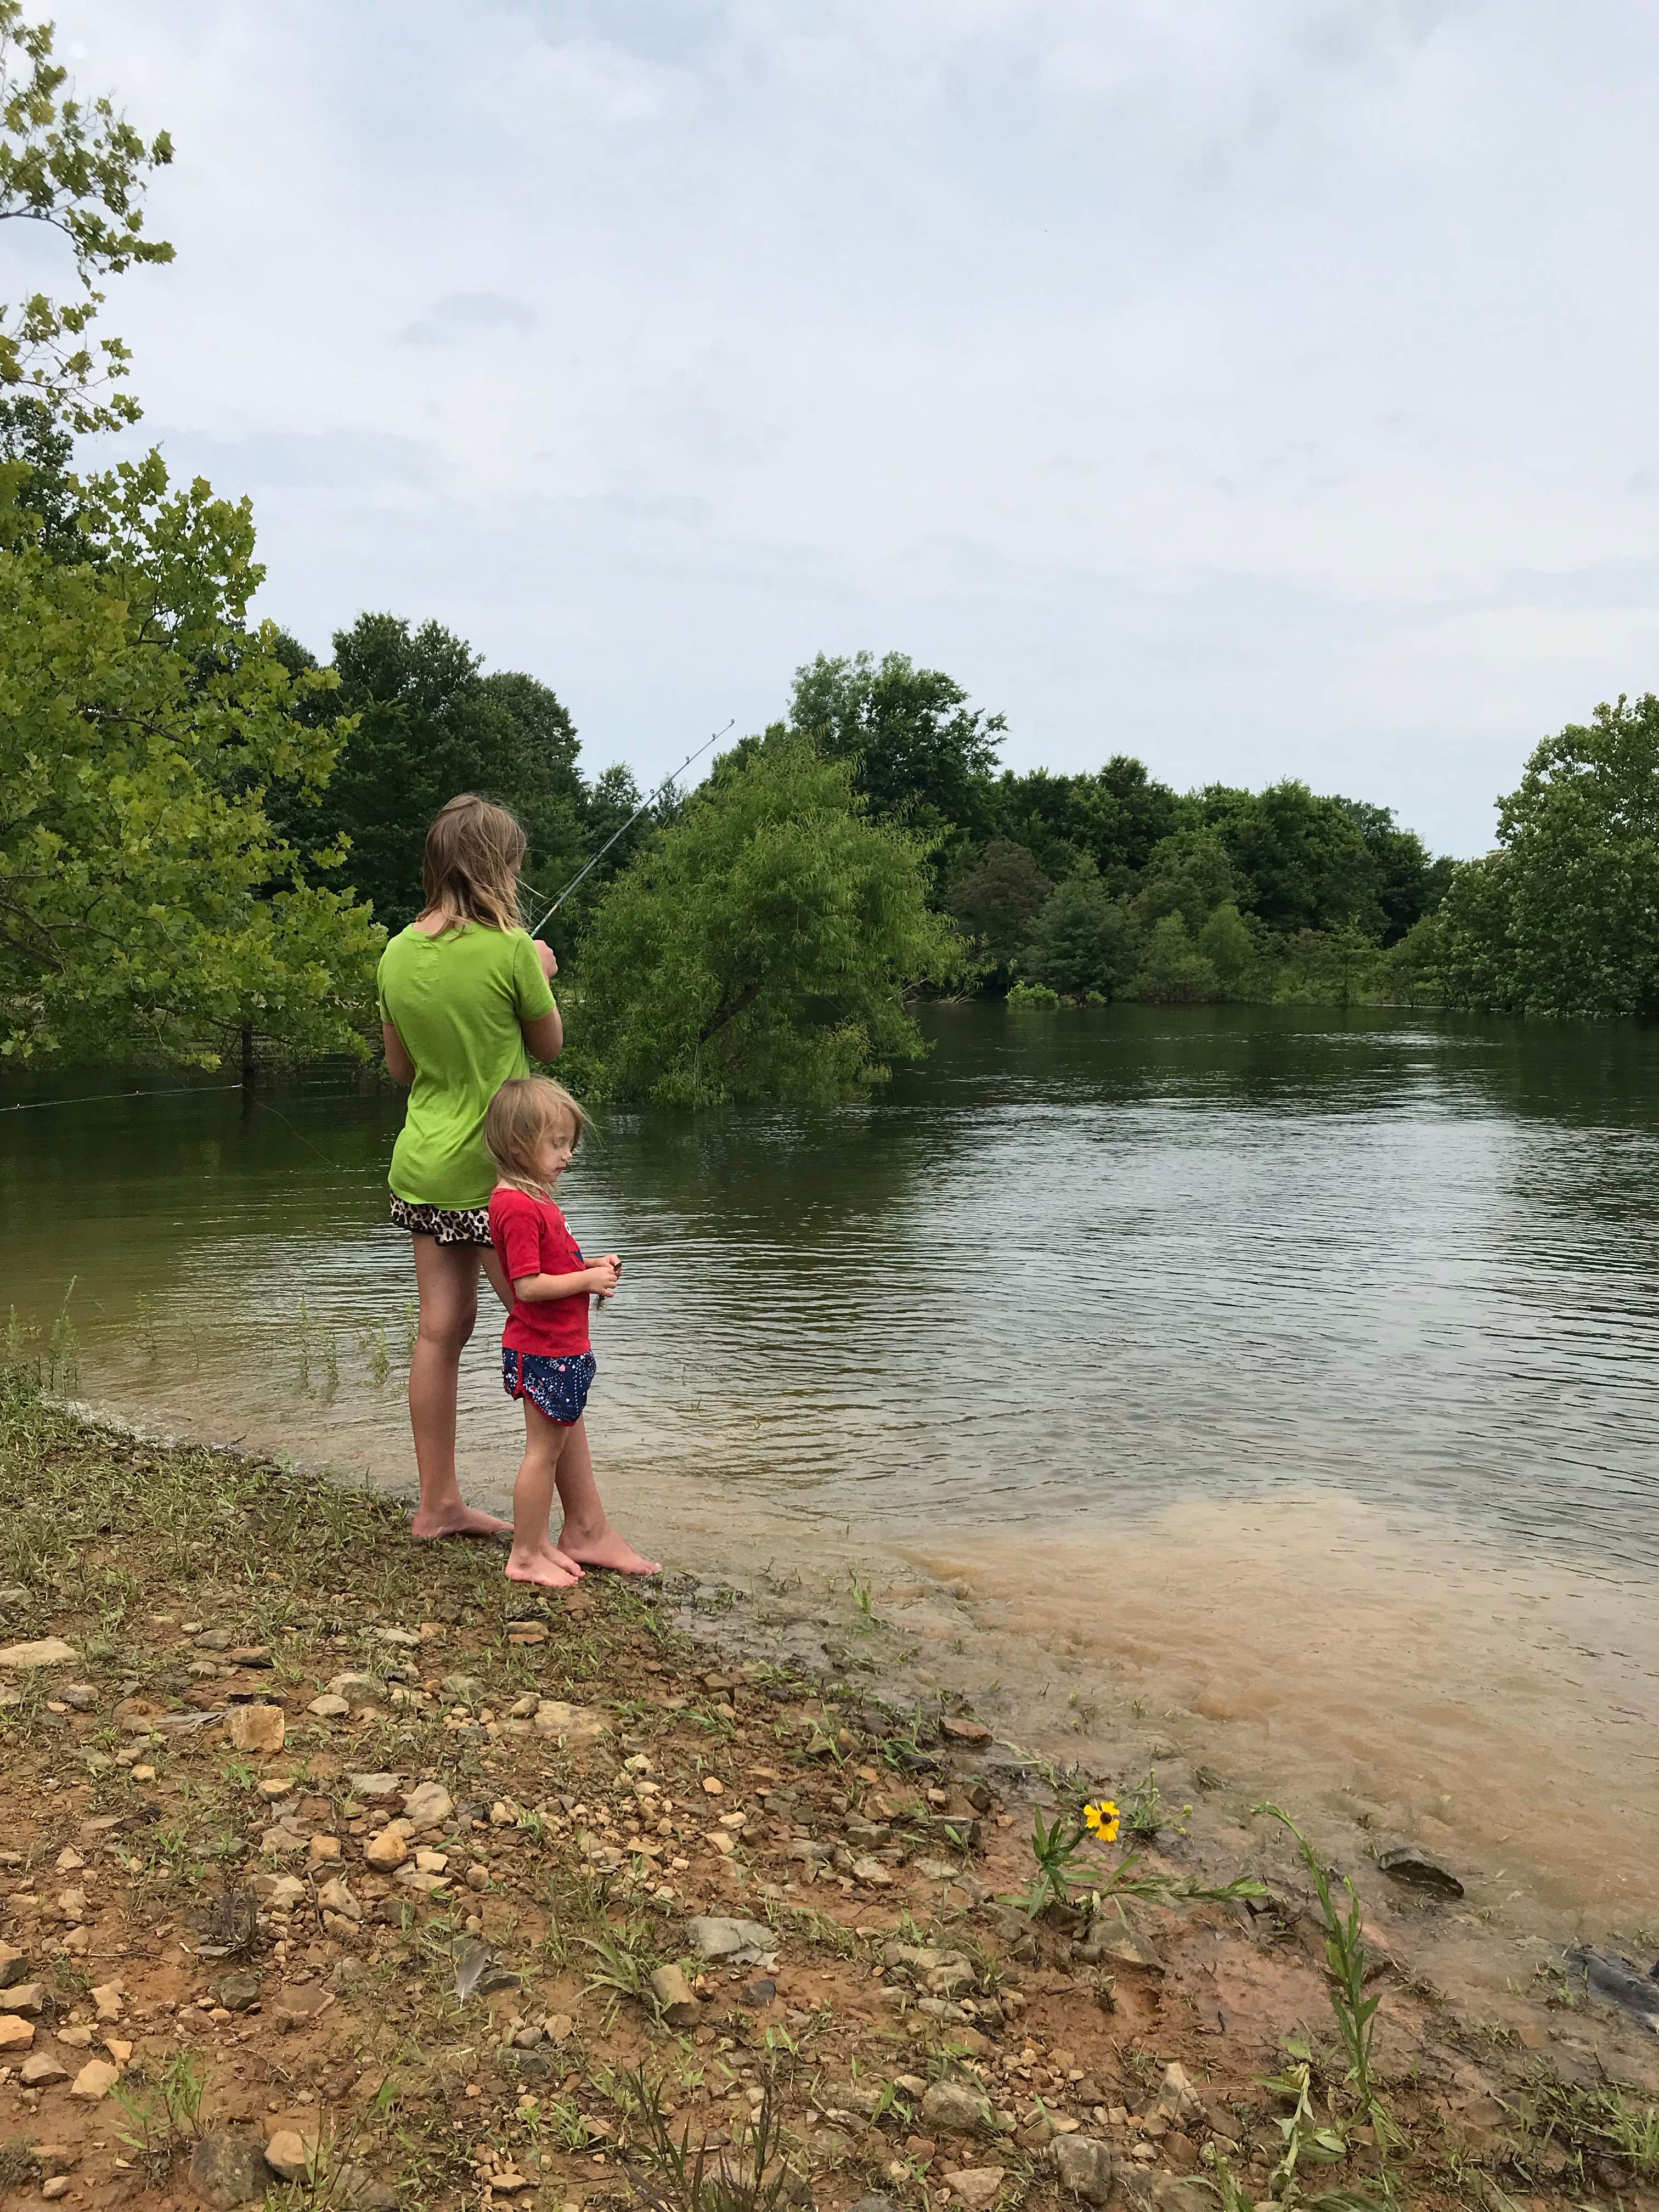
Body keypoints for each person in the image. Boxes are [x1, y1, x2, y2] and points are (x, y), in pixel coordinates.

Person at [378, 793, 562, 1541]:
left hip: (423, 1166)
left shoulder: (395, 953)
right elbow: (548, 1047)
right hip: (495, 1174)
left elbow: (401, 1070)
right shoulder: (514, 951)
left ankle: (438, 1505)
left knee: (439, 1330)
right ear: (498, 867)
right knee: (544, 1325)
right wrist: (539, 970)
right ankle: (576, 1524)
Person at [484, 1074, 659, 1588]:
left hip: (558, 1347)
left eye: (569, 1143)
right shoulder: (517, 1206)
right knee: (543, 1454)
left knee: (553, 1450)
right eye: (557, 1144)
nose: (567, 1155)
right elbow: (527, 1287)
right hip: (543, 1351)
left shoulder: (533, 1198)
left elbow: (551, 1266)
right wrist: (586, 1280)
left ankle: (539, 1541)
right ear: (519, 1146)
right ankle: (524, 1555)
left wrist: (590, 1266)